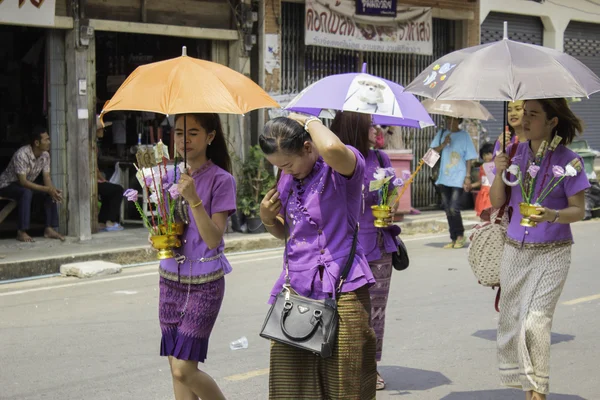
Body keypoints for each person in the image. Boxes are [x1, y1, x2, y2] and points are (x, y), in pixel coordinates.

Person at [259, 114, 377, 400]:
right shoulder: (288, 179)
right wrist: (267, 219)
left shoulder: (341, 172)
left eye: (287, 164)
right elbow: (292, 233)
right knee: (291, 386)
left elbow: (333, 149)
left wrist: (310, 121)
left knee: (344, 384)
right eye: (278, 166)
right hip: (296, 288)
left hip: (342, 288)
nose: (285, 171)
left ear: (309, 148)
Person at [491, 99, 589, 400]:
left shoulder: (570, 161)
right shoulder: (512, 154)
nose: (524, 120)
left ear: (552, 121)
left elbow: (579, 210)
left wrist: (552, 214)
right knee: (510, 317)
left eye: (534, 115)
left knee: (535, 320)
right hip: (514, 249)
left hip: (553, 251)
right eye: (524, 114)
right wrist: (498, 172)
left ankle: (537, 390)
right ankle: (524, 382)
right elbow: (497, 202)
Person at [158, 113, 235, 400]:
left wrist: (193, 199)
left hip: (205, 282)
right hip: (170, 278)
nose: (184, 139)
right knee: (174, 367)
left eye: (192, 132)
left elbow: (214, 238)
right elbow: (168, 227)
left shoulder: (221, 180)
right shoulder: (167, 176)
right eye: (178, 132)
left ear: (210, 137)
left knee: (184, 370)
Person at [330, 111, 399, 390]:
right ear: (356, 126)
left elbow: (393, 192)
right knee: (344, 312)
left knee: (375, 313)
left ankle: (371, 366)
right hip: (341, 249)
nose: (377, 129)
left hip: (378, 247)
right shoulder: (334, 159)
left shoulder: (381, 159)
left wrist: (391, 206)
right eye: (371, 124)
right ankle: (340, 363)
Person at [0, 126, 64, 242]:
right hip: (7, 185)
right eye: (46, 139)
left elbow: (47, 177)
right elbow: (23, 182)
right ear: (36, 142)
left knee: (50, 192)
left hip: (25, 184)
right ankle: (22, 231)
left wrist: (52, 190)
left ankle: (49, 228)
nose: (49, 142)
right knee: (26, 193)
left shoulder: (45, 155)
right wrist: (47, 189)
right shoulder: (22, 155)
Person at [430, 116, 478, 249]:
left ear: (459, 120)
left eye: (453, 119)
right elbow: (432, 153)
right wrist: (443, 144)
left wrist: (467, 177)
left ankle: (460, 236)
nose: (450, 122)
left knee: (454, 208)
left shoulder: (464, 136)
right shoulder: (441, 134)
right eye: (448, 119)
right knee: (447, 208)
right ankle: (453, 238)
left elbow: (469, 158)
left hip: (459, 177)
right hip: (443, 178)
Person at [96, 166, 124, 231]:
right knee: (118, 190)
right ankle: (111, 221)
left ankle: (102, 222)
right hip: (93, 183)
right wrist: (103, 180)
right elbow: (95, 170)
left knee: (108, 192)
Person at [473, 142, 495, 218]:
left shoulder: (496, 166)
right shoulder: (482, 167)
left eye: (488, 154)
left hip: (492, 194)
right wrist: (471, 185)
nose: (486, 157)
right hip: (483, 194)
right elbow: (481, 181)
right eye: (484, 155)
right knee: (483, 216)